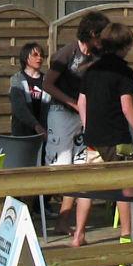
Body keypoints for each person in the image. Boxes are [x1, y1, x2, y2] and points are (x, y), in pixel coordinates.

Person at [71, 21, 133, 247]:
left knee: (88, 187)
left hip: (93, 137)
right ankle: (127, 234)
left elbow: (81, 103)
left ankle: (78, 234)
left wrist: (89, 126)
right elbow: (127, 108)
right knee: (124, 186)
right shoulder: (123, 71)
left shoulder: (91, 70)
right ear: (125, 45)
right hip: (116, 137)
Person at [45, 11, 106, 224]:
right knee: (59, 168)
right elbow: (47, 83)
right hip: (62, 113)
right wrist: (71, 102)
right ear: (91, 33)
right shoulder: (67, 53)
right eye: (100, 35)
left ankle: (64, 223)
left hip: (83, 115)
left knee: (79, 167)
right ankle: (40, 210)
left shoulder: (98, 56)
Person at [7, 42, 50, 160]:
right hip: (23, 134)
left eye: (41, 55)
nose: (39, 58)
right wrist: (36, 126)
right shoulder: (17, 80)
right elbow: (19, 108)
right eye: (35, 55)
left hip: (45, 135)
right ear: (26, 58)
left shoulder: (47, 80)